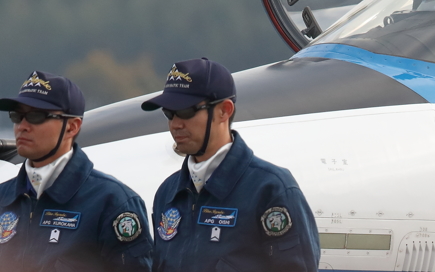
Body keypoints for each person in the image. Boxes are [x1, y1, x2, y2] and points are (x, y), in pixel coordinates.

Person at [141, 57, 319, 271]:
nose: (175, 124)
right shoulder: (168, 193)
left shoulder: (271, 190)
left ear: (224, 110)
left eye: (186, 111)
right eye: (169, 113)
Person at [0, 71, 153, 270]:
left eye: (35, 116)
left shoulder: (112, 201)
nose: (22, 126)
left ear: (72, 127)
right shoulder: (3, 197)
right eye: (17, 116)